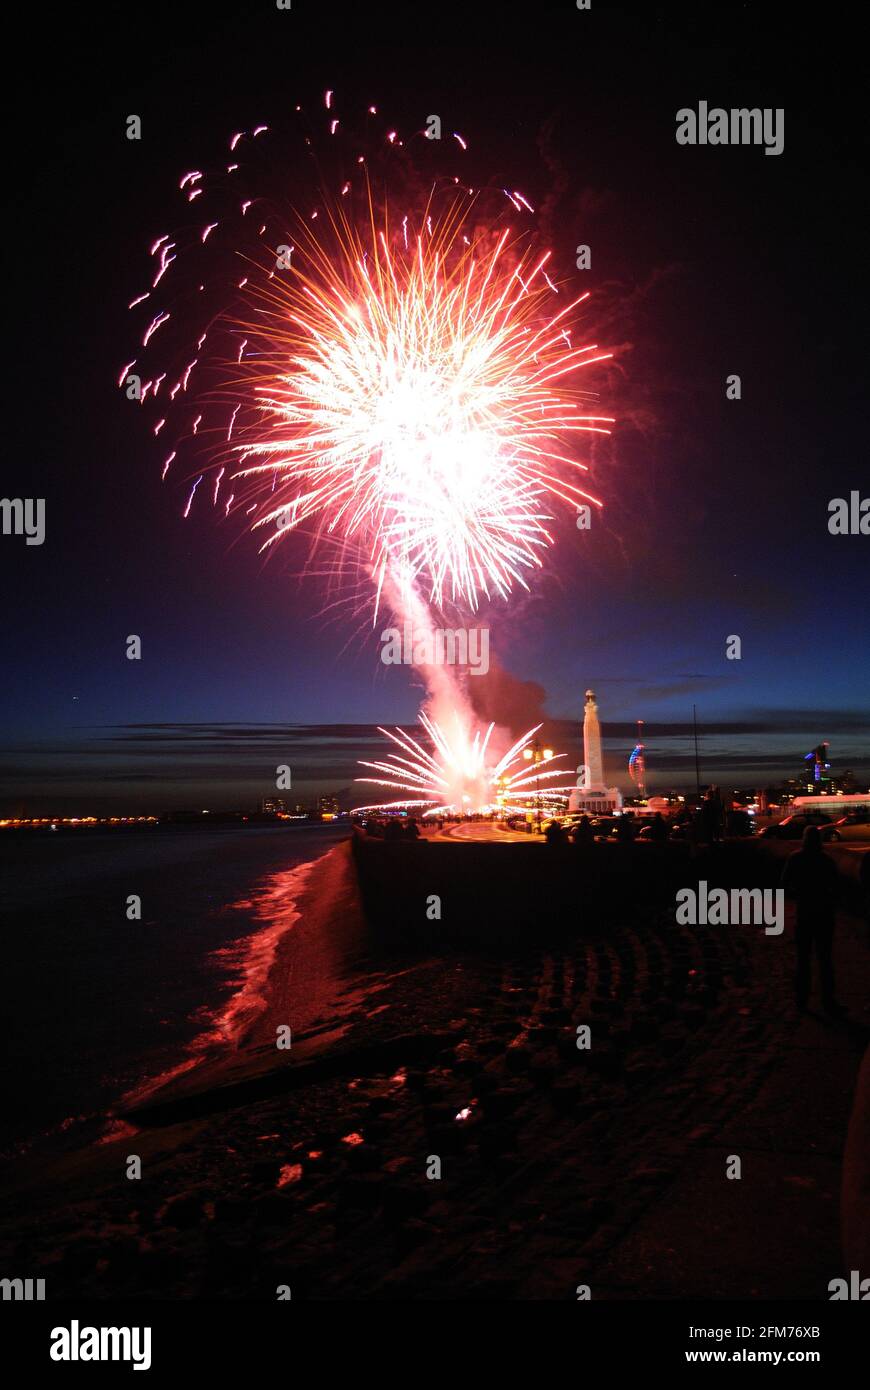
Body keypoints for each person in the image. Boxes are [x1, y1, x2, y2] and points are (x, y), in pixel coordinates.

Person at [781, 825, 844, 1016]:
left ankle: (801, 1000)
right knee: (825, 959)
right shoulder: (826, 861)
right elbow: (837, 887)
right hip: (824, 914)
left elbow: (784, 885)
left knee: (803, 959)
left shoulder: (795, 859)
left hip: (804, 913)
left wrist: (800, 894)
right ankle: (828, 1001)